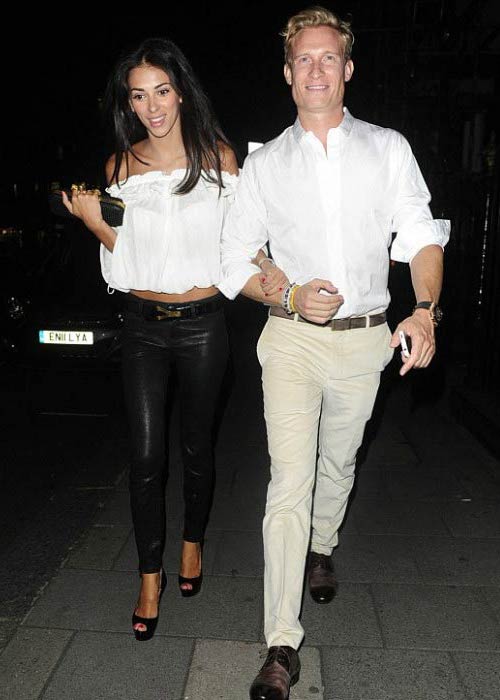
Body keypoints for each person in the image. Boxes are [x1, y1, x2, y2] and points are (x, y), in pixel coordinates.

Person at [219, 7, 449, 700]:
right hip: (289, 341)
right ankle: (281, 644)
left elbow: (421, 234)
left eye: (328, 58)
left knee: (338, 462)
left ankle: (324, 544)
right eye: (303, 60)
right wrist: (286, 295)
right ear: (287, 73)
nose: (315, 69)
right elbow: (233, 259)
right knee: (286, 482)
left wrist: (426, 310)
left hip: (366, 341)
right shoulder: (263, 165)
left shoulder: (387, 148)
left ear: (347, 69)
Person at [62, 37, 240, 641]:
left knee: (196, 448)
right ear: (128, 103)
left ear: (181, 92)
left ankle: (192, 541)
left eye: (161, 91)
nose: (151, 106)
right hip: (141, 326)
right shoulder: (118, 168)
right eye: (138, 96)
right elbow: (131, 261)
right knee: (144, 457)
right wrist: (94, 223)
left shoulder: (218, 158)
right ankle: (147, 576)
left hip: (203, 325)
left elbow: (232, 249)